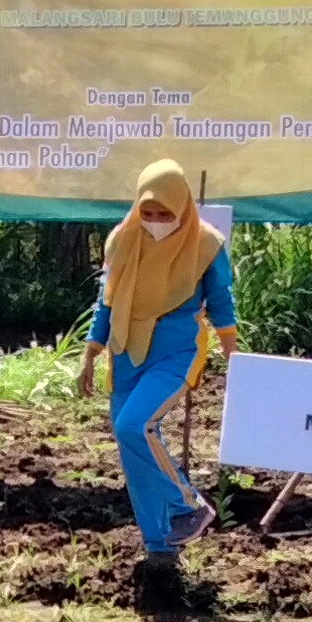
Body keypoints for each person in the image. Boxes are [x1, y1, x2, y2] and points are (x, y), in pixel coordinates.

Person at [73, 157, 237, 594]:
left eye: (166, 213)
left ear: (183, 208)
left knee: (136, 425)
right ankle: (159, 550)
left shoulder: (205, 245)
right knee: (133, 450)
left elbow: (221, 299)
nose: (156, 222)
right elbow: (106, 302)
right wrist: (91, 352)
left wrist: (231, 348)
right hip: (125, 353)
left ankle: (189, 505)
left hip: (177, 353)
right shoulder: (121, 241)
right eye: (148, 213)